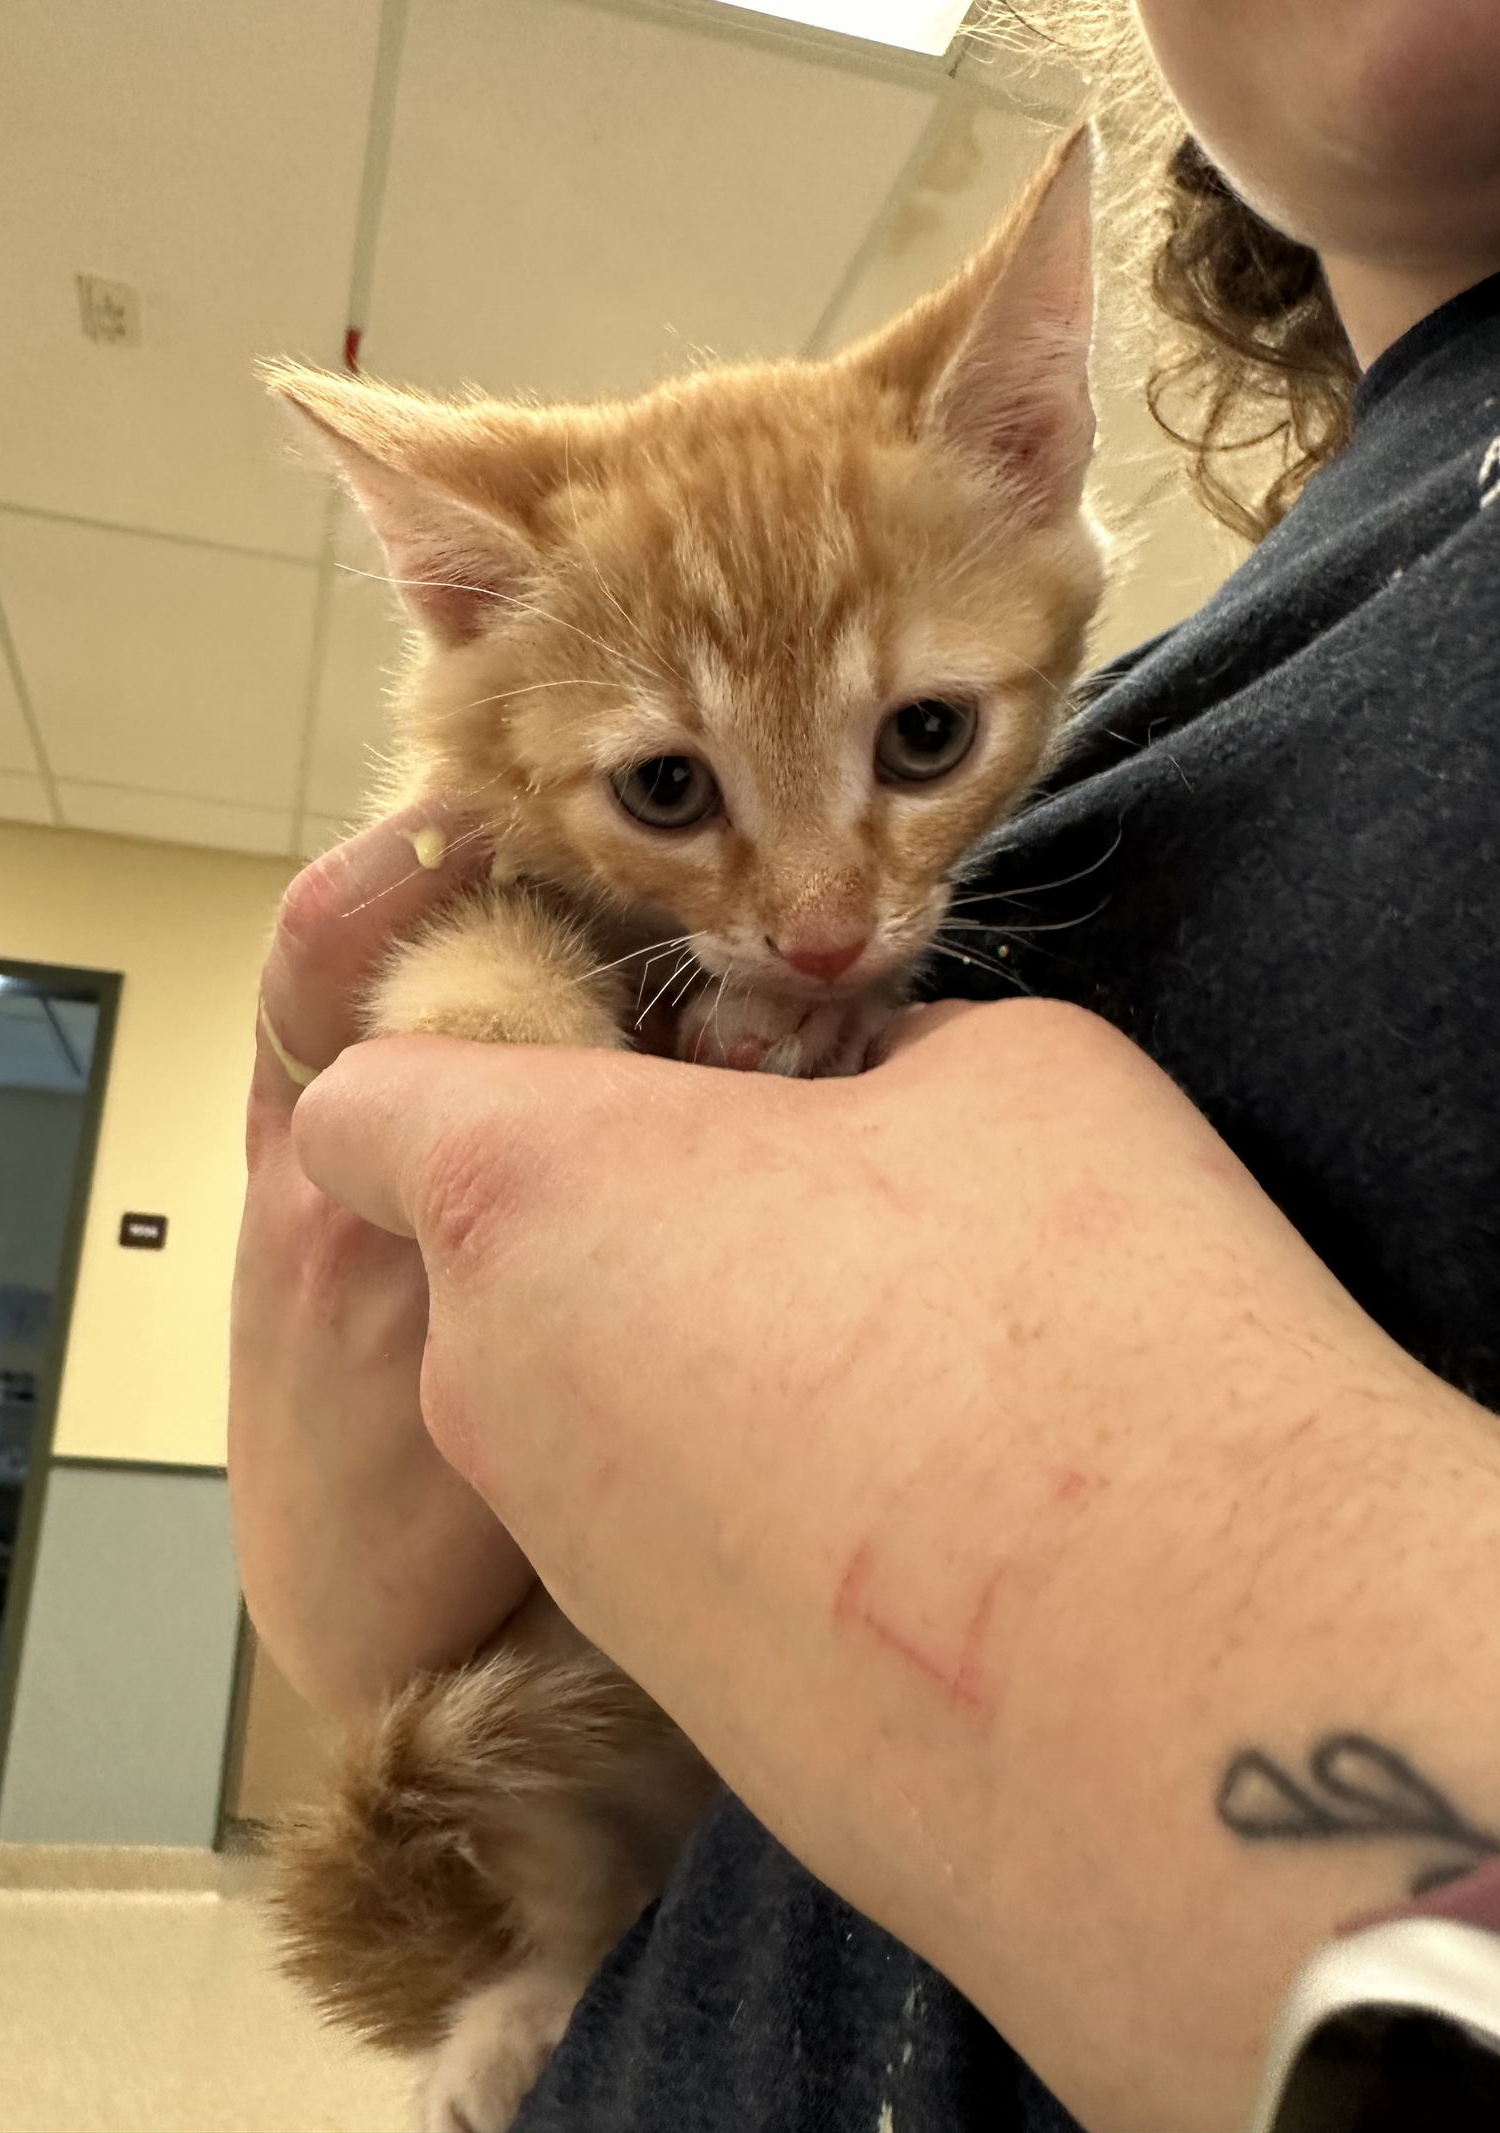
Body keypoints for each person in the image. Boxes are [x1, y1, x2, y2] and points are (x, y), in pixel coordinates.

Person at [229, 3, 1500, 2126]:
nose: (826, 913)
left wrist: (1116, 1554)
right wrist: (361, 1542)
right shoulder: (1204, 648)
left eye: (919, 744)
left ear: (1028, 463)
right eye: (668, 786)